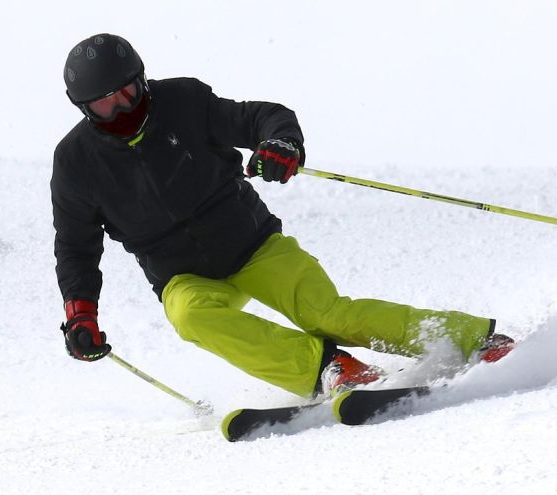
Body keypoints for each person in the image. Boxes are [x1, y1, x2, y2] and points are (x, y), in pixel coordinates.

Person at [53, 33, 514, 399]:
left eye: (127, 92)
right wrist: (81, 315)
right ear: (84, 108)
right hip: (182, 274)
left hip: (252, 245)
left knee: (328, 314)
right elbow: (76, 247)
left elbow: (264, 117)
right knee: (191, 317)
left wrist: (280, 144)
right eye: (104, 102)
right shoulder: (76, 162)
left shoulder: (184, 102)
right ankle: (328, 368)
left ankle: (470, 339)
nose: (121, 107)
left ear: (142, 80)